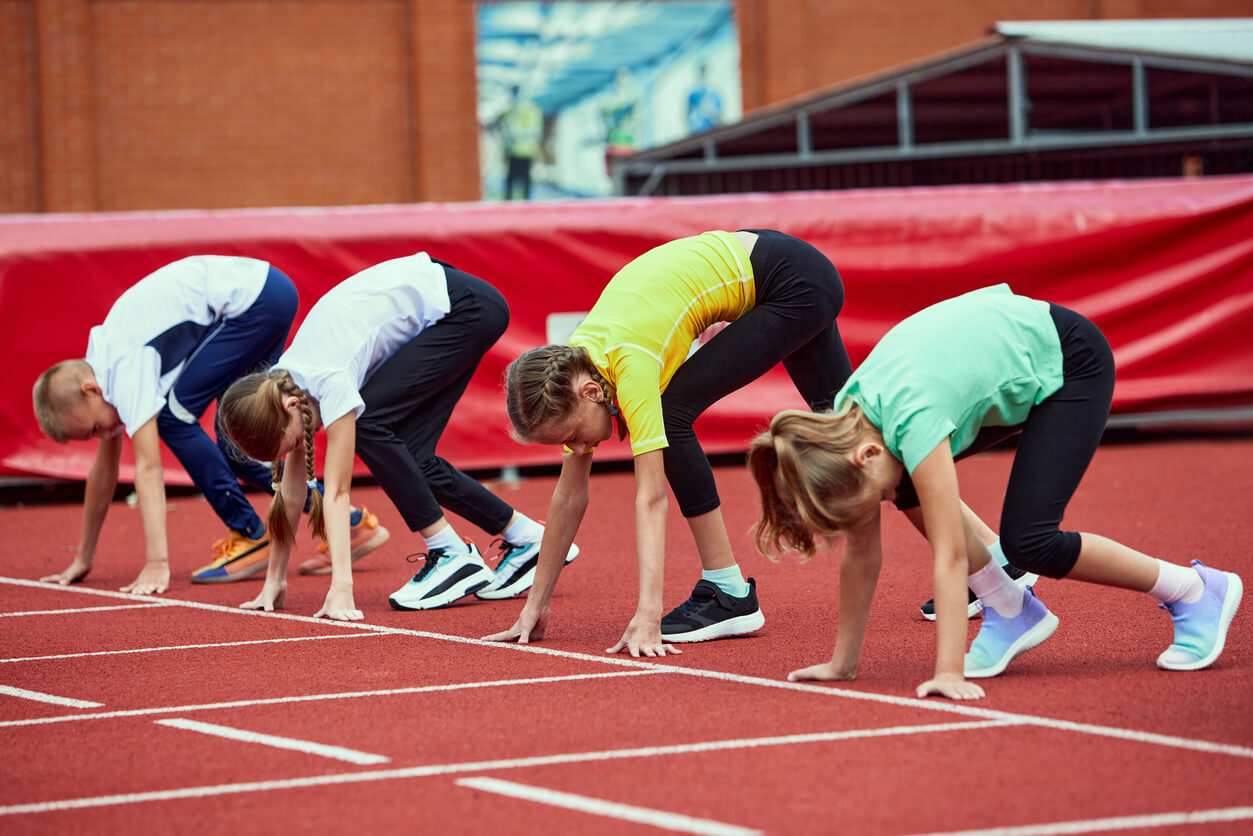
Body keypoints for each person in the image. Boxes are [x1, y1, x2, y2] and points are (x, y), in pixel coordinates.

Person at [748, 284, 1243, 700]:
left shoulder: (910, 422)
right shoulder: (849, 427)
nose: (879, 507)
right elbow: (861, 554)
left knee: (1031, 541)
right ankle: (1010, 608)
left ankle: (1196, 590)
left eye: (870, 499)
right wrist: (842, 664)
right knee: (909, 491)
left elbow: (949, 555)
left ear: (867, 457)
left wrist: (948, 672)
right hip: (1004, 356)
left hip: (1070, 361)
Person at [487, 229, 853, 657]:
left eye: (571, 437)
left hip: (793, 282)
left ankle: (728, 591)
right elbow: (568, 497)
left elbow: (652, 497)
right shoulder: (573, 375)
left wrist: (648, 613)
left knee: (671, 412)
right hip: (792, 274)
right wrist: (536, 603)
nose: (579, 449)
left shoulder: (627, 363)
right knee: (855, 437)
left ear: (590, 394)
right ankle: (954, 560)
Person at [218, 252, 575, 621]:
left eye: (293, 443)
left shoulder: (326, 378)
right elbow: (290, 492)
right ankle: (529, 538)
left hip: (466, 309)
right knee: (410, 456)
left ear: (291, 406)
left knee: (370, 426)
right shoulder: (281, 385)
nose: (298, 449)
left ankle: (448, 551)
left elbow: (338, 494)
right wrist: (274, 581)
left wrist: (342, 587)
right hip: (458, 307)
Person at [31, 255, 316, 592]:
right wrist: (83, 557)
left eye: (95, 428)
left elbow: (149, 470)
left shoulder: (122, 368)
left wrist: (157, 563)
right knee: (236, 435)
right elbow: (103, 473)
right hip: (269, 292)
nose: (105, 434)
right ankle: (344, 520)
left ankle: (249, 531)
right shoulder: (103, 365)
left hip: (255, 302)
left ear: (91, 390)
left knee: (173, 417)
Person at [499, 85, 543, 200]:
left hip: (524, 151)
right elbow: (505, 128)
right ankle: (515, 200)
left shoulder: (529, 110)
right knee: (514, 179)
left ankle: (523, 201)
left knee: (522, 180)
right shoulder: (512, 110)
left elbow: (535, 130)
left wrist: (517, 136)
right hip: (515, 150)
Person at [685, 64, 723, 134]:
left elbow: (719, 114)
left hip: (712, 129)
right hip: (697, 131)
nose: (703, 74)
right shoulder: (693, 94)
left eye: (704, 71)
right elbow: (688, 113)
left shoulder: (714, 94)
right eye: (701, 71)